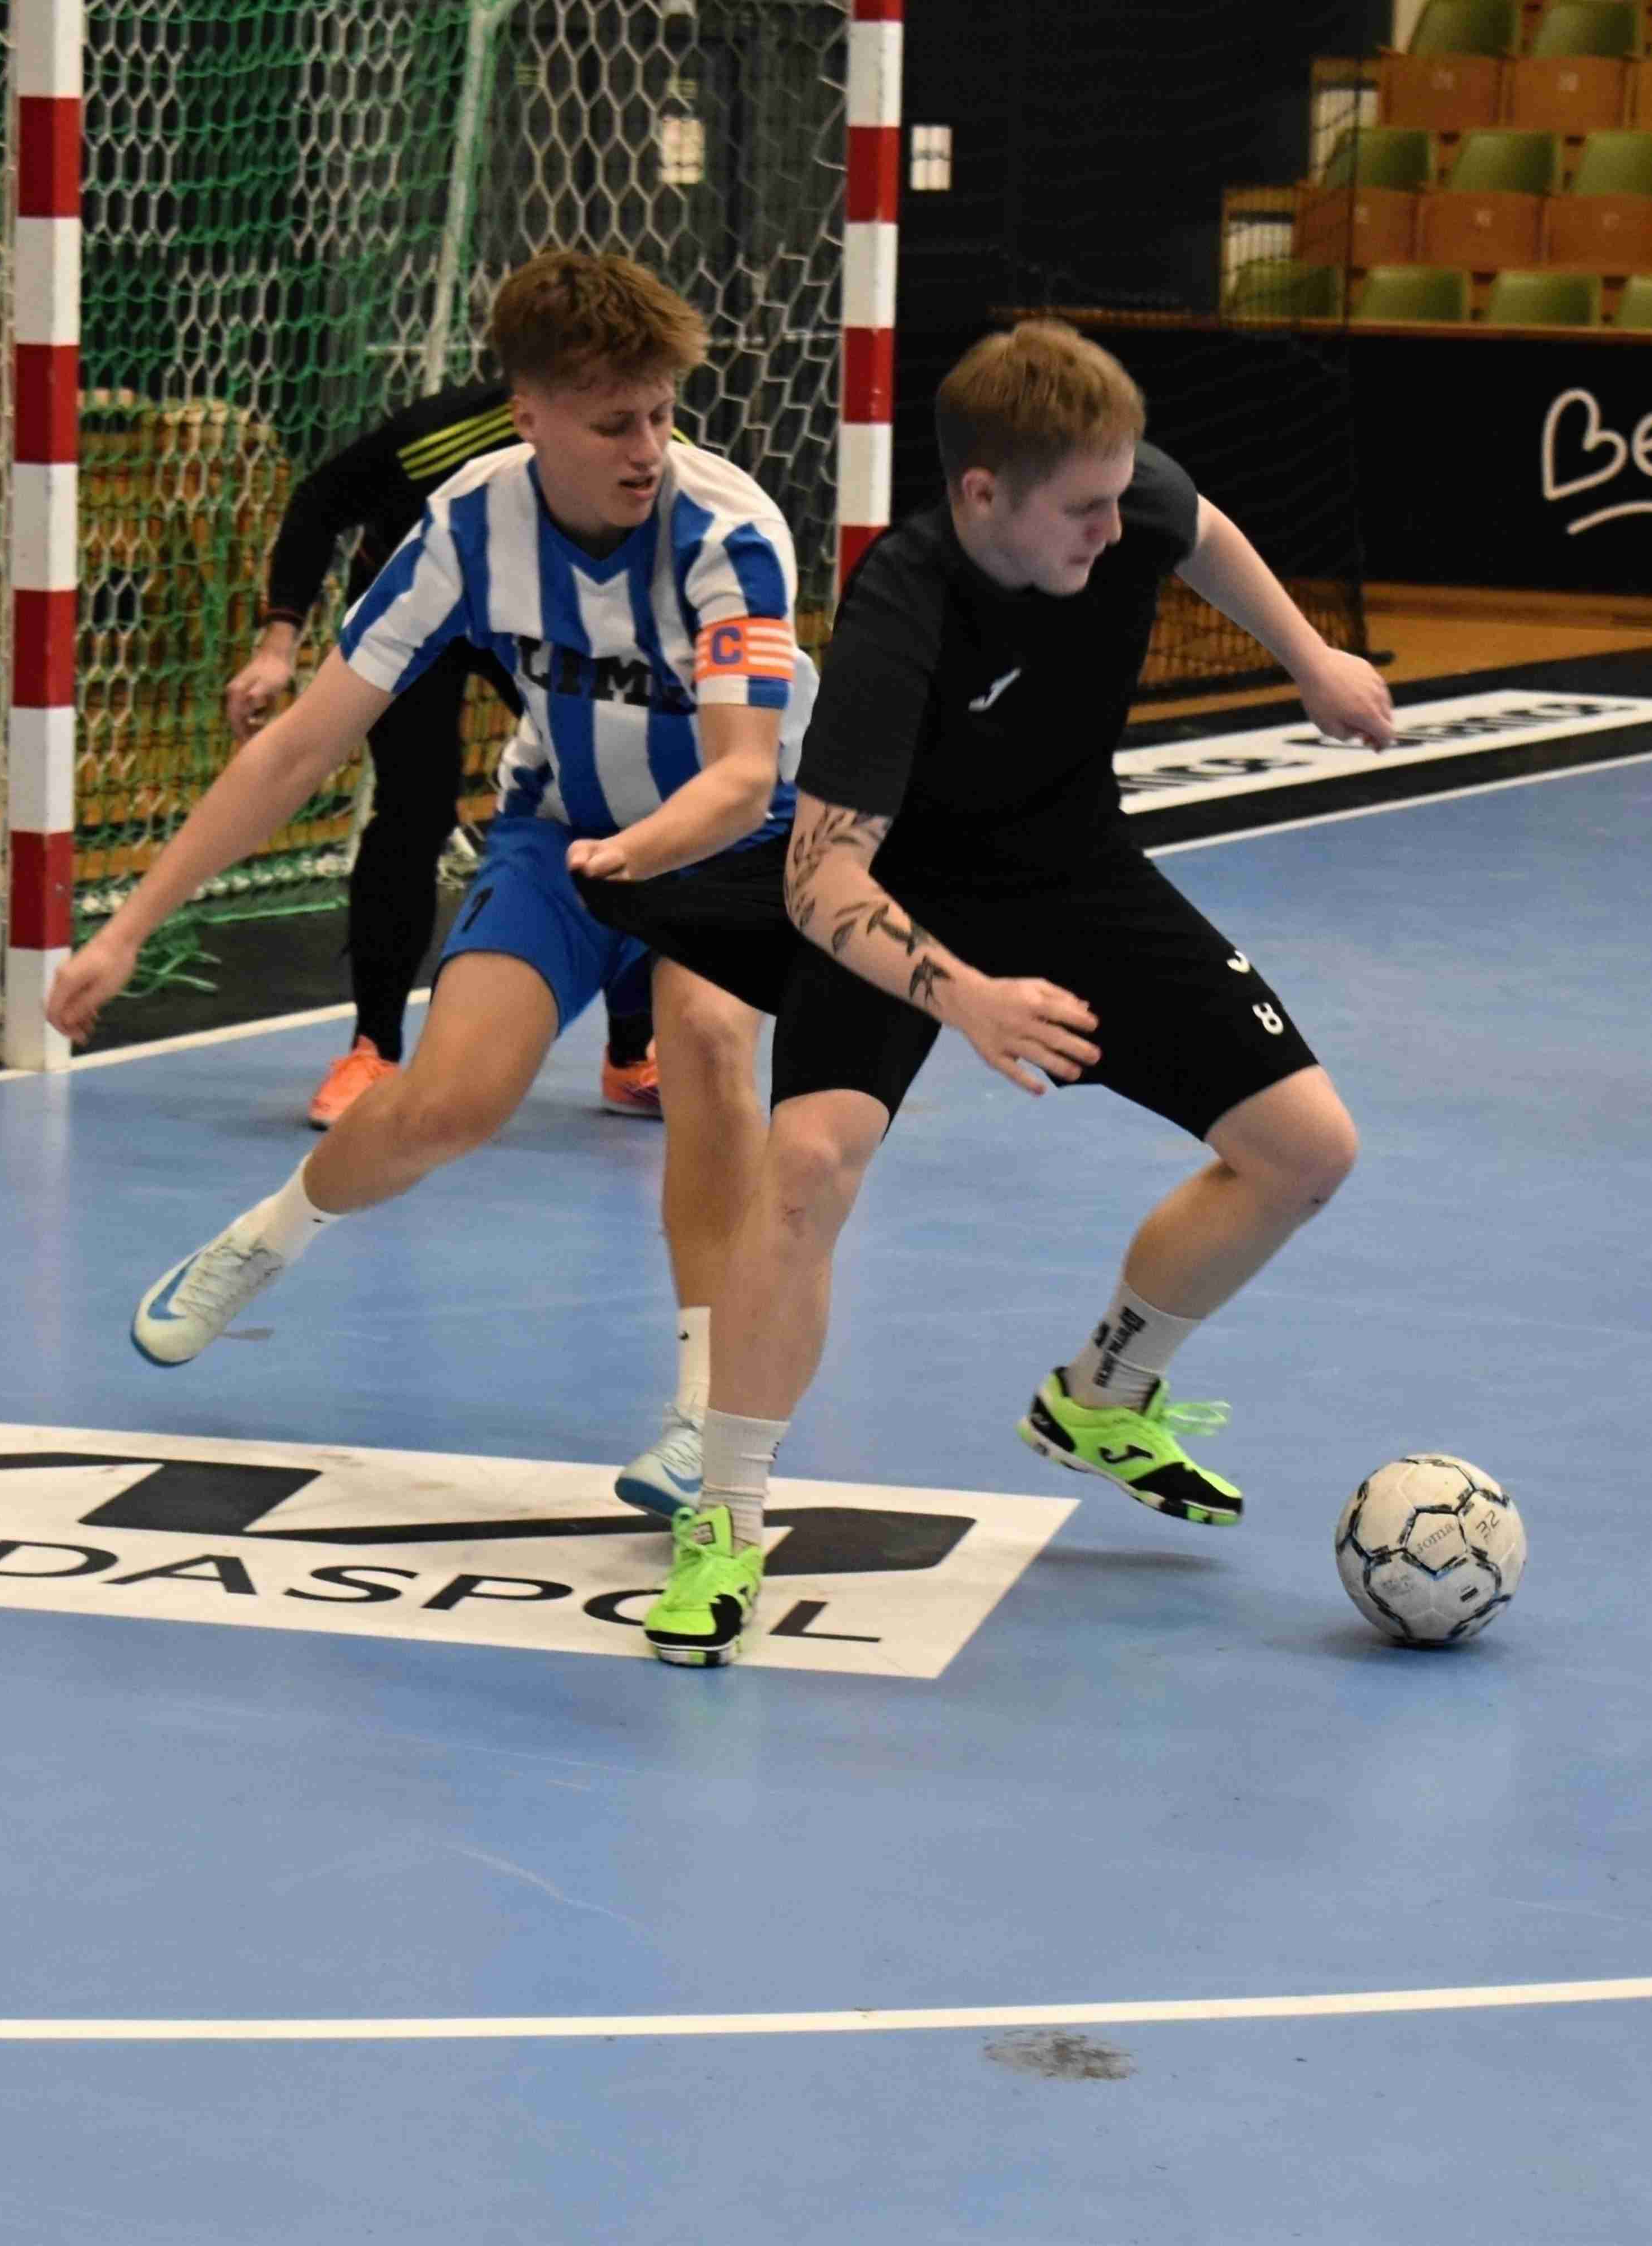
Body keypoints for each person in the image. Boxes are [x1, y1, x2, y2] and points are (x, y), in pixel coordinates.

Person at [574, 319, 1395, 1667]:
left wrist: (1313, 660)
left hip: (1075, 871)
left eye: (1120, 496)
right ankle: (725, 1521)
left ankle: (1103, 1394)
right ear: (981, 495)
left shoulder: (1120, 493)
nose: (1113, 531)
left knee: (1307, 1151)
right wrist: (965, 996)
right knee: (807, 1163)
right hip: (899, 895)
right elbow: (820, 882)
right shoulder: (904, 608)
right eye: (1083, 511)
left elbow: (1201, 529)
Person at [43, 250, 807, 1515]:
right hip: (559, 831)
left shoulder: (727, 532)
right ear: (530, 415)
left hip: (726, 841)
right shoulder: (466, 525)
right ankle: (265, 1237)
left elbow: (741, 772)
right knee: (447, 1104)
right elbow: (300, 745)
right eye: (615, 423)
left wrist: (640, 864)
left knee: (712, 1041)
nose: (648, 449)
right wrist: (129, 926)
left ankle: (701, 1415)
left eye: (662, 415)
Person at [224, 382, 665, 1127]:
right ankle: (372, 1051)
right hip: (418, 613)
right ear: (530, 406)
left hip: (534, 615)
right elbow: (320, 502)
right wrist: (278, 644)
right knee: (415, 803)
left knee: (618, 799)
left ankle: (631, 1052)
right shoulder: (440, 438)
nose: (638, 441)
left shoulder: (656, 461)